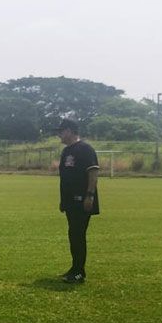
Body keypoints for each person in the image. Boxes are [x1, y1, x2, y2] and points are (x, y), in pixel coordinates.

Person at [56, 118, 99, 283]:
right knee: (73, 234)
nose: (59, 135)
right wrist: (63, 200)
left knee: (78, 234)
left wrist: (90, 195)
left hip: (83, 200)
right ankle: (74, 268)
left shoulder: (85, 149)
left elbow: (93, 173)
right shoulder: (67, 151)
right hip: (70, 201)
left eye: (61, 131)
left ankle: (79, 272)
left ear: (69, 131)